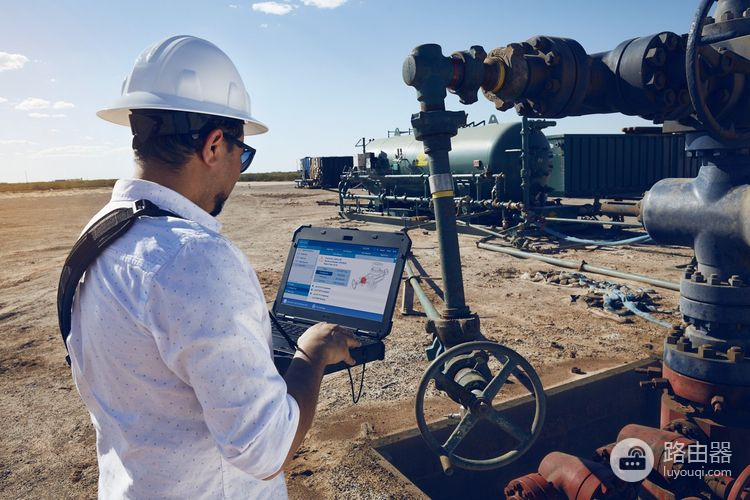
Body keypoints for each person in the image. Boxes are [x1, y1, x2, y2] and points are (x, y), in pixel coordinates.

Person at [64, 35, 359, 498]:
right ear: (215, 144)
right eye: (243, 152)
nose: (240, 168)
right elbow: (266, 450)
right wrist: (311, 354)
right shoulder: (195, 260)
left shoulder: (99, 234)